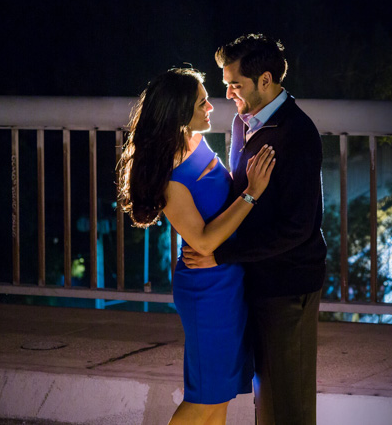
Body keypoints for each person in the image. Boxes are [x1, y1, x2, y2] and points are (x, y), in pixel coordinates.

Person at [117, 68, 276, 425]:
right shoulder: (168, 174)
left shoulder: (194, 141)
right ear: (178, 112)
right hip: (207, 292)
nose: (210, 108)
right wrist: (252, 192)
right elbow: (202, 241)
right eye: (202, 102)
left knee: (219, 398)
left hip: (228, 280)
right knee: (204, 399)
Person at [183, 34, 327, 425]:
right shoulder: (242, 122)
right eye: (226, 82)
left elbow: (297, 228)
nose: (227, 92)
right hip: (258, 281)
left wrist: (222, 253)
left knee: (288, 405)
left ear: (266, 80)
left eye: (235, 83)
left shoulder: (296, 133)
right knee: (268, 403)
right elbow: (239, 195)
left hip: (288, 285)